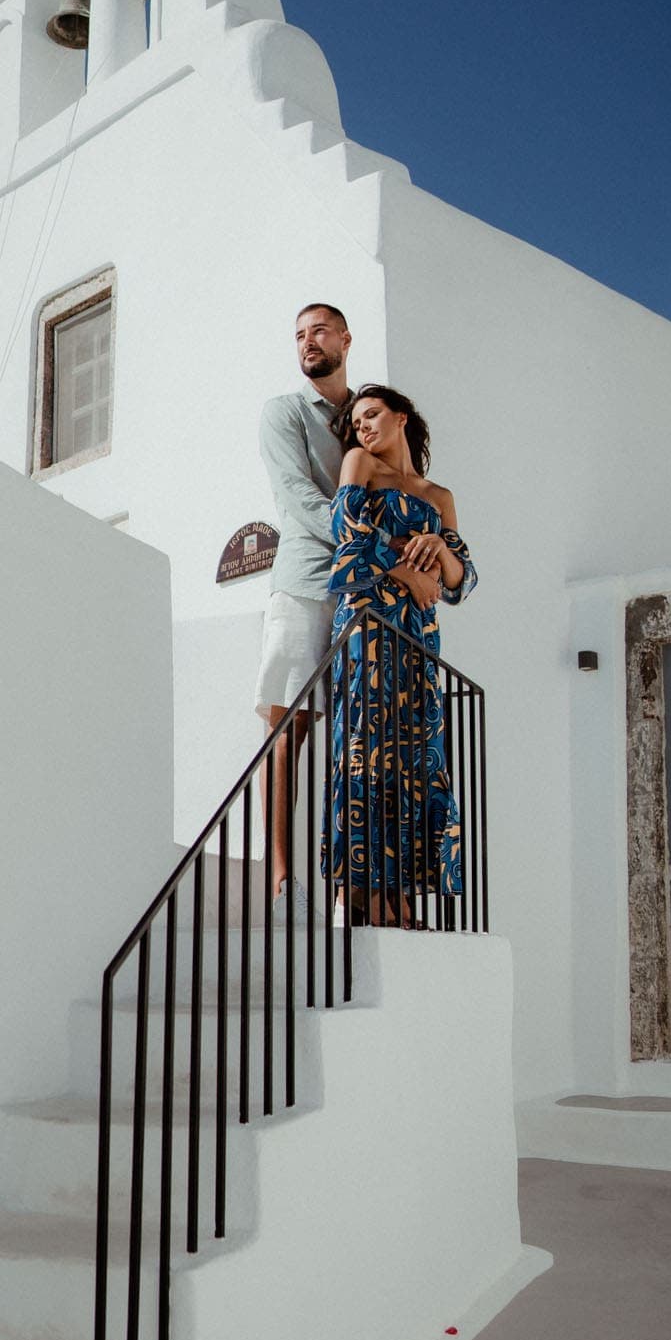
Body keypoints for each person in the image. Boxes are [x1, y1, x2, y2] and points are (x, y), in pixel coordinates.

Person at [325, 384, 477, 924]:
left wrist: (438, 550)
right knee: (365, 748)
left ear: (402, 417)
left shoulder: (440, 497)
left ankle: (400, 893)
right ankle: (359, 892)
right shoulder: (359, 463)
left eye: (372, 415)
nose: (363, 427)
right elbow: (344, 536)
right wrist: (404, 566)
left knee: (413, 754)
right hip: (367, 624)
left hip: (418, 637)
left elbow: (461, 581)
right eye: (356, 421)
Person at [253, 303, 356, 907]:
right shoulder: (285, 412)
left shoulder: (365, 416)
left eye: (318, 330)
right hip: (304, 584)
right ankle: (280, 873)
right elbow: (294, 495)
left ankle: (350, 876)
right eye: (298, 334)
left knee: (350, 730)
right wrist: (366, 542)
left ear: (345, 337)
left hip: (360, 595)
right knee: (287, 727)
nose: (307, 342)